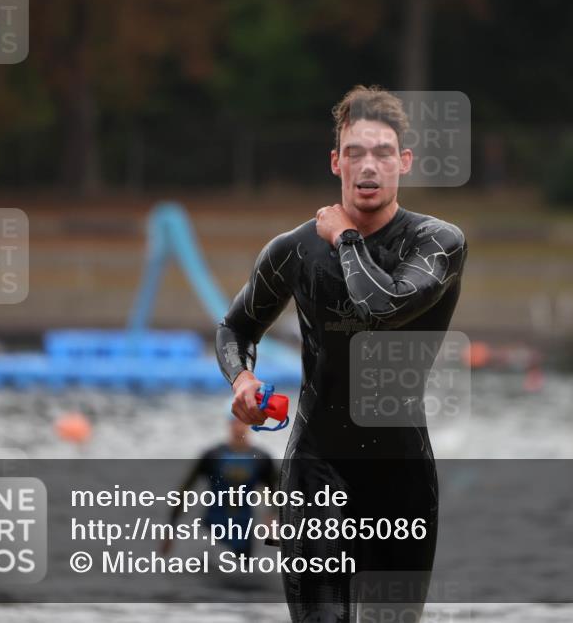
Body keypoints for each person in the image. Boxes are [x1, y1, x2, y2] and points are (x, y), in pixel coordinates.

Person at [215, 85, 468, 622]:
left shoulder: (437, 243)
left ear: (404, 161)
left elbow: (384, 308)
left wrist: (347, 238)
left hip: (400, 476)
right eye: (354, 153)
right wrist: (241, 379)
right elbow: (236, 327)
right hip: (316, 467)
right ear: (336, 162)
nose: (368, 166)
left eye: (381, 153)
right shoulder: (293, 250)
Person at [160, 413, 277, 559]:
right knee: (210, 573)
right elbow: (185, 490)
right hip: (212, 528)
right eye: (235, 422)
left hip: (243, 531)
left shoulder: (261, 458)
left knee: (241, 574)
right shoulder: (213, 455)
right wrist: (170, 531)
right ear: (229, 424)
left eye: (242, 422)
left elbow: (276, 495)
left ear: (249, 425)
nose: (238, 427)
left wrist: (272, 523)